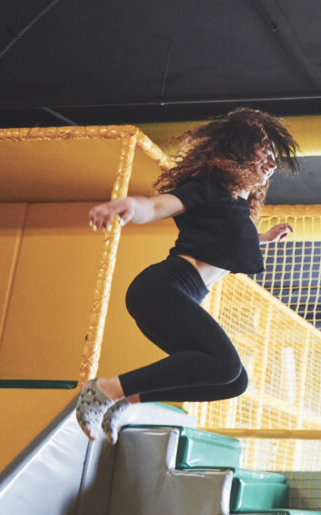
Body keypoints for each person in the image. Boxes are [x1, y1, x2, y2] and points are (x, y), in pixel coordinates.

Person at [76, 108, 300, 444]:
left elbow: (226, 240)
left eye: (274, 157)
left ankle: (127, 400)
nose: (271, 163)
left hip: (175, 296)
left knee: (234, 382)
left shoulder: (237, 205)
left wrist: (262, 238)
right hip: (162, 291)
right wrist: (132, 207)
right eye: (264, 152)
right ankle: (103, 390)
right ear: (239, 150)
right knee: (225, 364)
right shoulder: (208, 186)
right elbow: (157, 206)